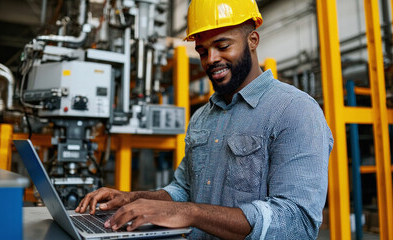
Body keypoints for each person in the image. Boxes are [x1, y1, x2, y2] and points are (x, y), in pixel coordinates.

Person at [75, 0, 333, 239]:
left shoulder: (295, 110)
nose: (211, 60)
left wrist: (192, 213)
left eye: (223, 46)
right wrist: (131, 198)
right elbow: (183, 191)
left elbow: (297, 221)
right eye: (202, 51)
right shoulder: (203, 117)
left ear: (253, 40)